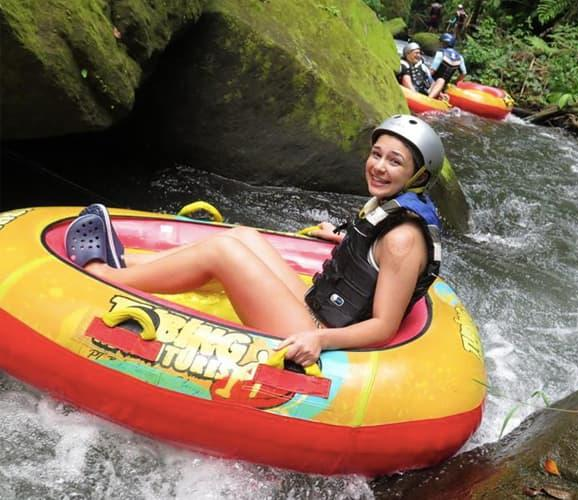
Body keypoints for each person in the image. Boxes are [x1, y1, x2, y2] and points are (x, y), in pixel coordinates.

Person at [65, 115, 446, 368]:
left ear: (418, 176)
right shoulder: (389, 209)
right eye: (376, 154)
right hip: (316, 307)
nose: (379, 166)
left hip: (315, 330)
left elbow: (383, 327)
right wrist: (340, 237)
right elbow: (368, 258)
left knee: (224, 252)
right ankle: (126, 263)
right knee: (244, 236)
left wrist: (320, 341)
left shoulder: (403, 241)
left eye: (395, 161)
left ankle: (106, 276)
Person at [427, 33, 467, 100]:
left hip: (433, 84)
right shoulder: (460, 57)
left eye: (441, 42)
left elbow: (432, 71)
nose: (439, 44)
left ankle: (429, 98)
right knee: (442, 81)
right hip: (444, 87)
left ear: (444, 43)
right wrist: (455, 82)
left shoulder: (441, 53)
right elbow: (464, 74)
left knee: (439, 80)